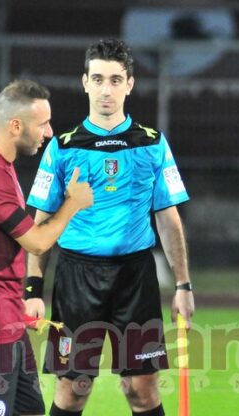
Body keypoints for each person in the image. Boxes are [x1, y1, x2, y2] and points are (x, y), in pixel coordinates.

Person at [24, 38, 194, 416]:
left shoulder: (152, 144)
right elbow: (40, 225)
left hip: (135, 277)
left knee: (142, 390)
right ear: (85, 82)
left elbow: (168, 219)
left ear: (129, 84)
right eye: (98, 79)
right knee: (73, 390)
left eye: (115, 80)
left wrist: (183, 286)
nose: (106, 89)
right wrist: (33, 288)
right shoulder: (62, 148)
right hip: (77, 277)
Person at [0, 80, 94, 416]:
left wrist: (15, 300)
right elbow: (36, 242)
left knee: (30, 409)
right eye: (42, 124)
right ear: (15, 125)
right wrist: (73, 203)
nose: (49, 133)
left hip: (2, 315)